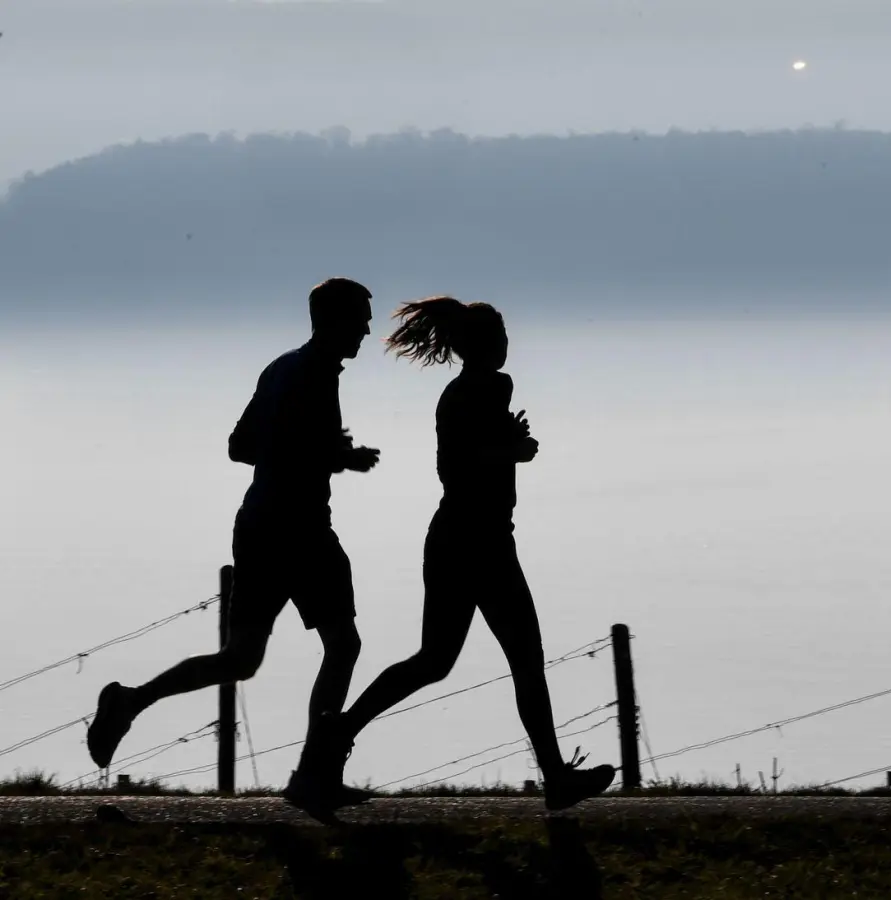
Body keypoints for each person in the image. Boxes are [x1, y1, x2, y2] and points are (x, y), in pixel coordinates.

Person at [86, 277, 381, 817]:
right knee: (343, 645)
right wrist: (335, 456)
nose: (367, 327)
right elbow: (277, 451)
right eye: (361, 317)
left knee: (241, 660)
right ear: (333, 320)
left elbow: (239, 446)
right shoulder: (310, 375)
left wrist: (320, 452)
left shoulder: (282, 368)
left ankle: (131, 701)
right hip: (300, 530)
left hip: (260, 526)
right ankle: (314, 775)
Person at [316, 296, 614, 811]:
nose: (506, 346)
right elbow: (464, 464)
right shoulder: (488, 388)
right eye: (500, 338)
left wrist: (507, 444)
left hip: (458, 538)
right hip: (480, 542)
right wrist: (512, 449)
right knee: (520, 658)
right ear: (483, 345)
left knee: (437, 660)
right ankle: (556, 780)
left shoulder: (460, 394)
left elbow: (464, 457)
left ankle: (341, 729)